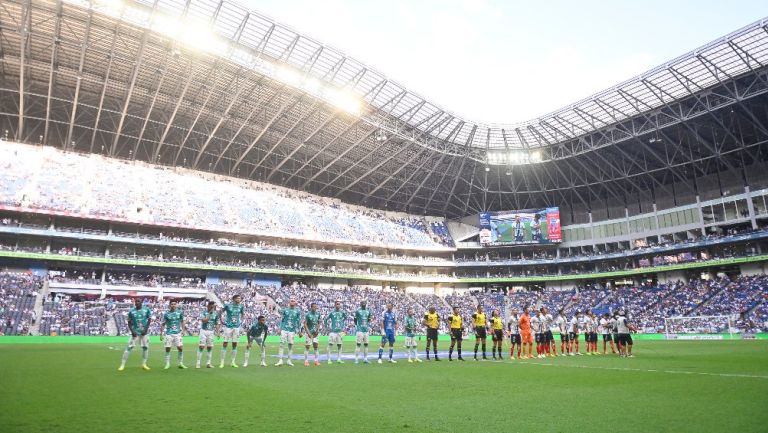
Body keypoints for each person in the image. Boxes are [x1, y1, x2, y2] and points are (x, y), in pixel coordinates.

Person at [118, 298, 151, 371]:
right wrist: (132, 331)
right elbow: (129, 322)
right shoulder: (131, 311)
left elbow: (149, 319)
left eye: (138, 301)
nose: (137, 302)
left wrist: (145, 329)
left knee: (145, 348)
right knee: (129, 348)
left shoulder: (147, 310)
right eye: (136, 301)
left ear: (141, 302)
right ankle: (122, 365)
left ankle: (144, 364)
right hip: (135, 333)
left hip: (144, 333)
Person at [160, 299, 187, 370]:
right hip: (169, 333)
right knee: (168, 348)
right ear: (170, 305)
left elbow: (182, 322)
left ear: (176, 305)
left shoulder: (180, 313)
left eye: (174, 304)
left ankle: (180, 363)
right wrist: (161, 334)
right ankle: (167, 363)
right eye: (172, 304)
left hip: (178, 333)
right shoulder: (166, 314)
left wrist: (183, 330)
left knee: (180, 348)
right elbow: (163, 324)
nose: (173, 305)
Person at [219, 294, 244, 368]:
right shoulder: (227, 305)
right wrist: (221, 320)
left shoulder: (241, 306)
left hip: (236, 327)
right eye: (238, 298)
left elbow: (243, 314)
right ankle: (222, 362)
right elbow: (220, 311)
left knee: (235, 344)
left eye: (240, 298)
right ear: (234, 299)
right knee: (225, 343)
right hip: (228, 327)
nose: (239, 299)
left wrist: (241, 321)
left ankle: (233, 361)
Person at [276, 299, 302, 366]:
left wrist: (299, 331)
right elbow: (282, 320)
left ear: (295, 302)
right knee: (281, 344)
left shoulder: (297, 311)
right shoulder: (285, 310)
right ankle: (280, 360)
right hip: (284, 329)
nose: (292, 302)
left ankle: (289, 360)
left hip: (292, 330)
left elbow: (298, 321)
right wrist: (280, 328)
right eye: (291, 301)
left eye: (293, 301)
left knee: (290, 345)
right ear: (289, 302)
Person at [196, 301, 219, 369]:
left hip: (211, 332)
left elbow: (216, 323)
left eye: (213, 306)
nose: (212, 308)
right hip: (204, 331)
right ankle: (198, 363)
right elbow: (204, 321)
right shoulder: (203, 312)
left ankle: (208, 363)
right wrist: (209, 314)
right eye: (211, 306)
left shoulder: (216, 314)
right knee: (201, 347)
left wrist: (218, 332)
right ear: (208, 306)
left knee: (210, 347)